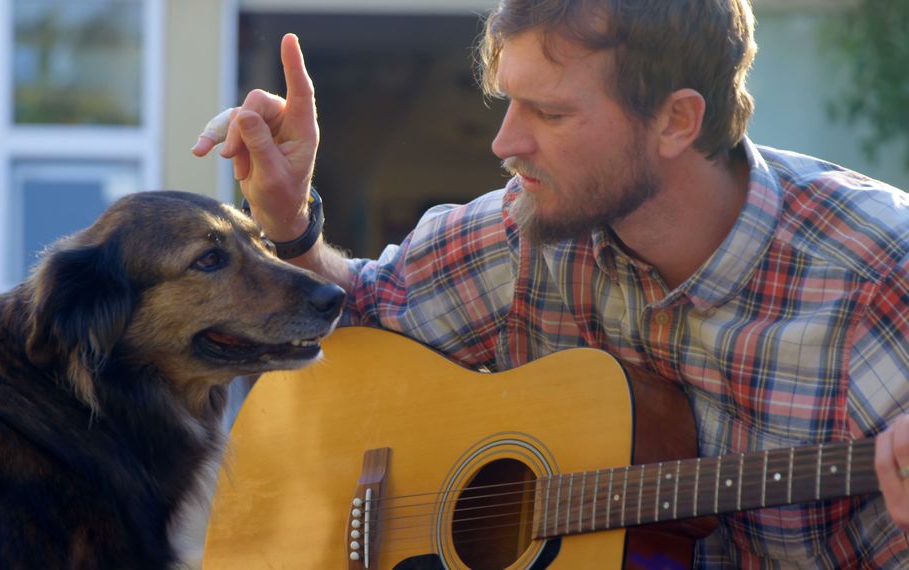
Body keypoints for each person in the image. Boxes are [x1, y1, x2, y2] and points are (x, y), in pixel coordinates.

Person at [192, 0, 909, 566]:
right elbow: (363, 321)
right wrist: (289, 225)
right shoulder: (527, 235)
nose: (506, 142)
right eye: (510, 101)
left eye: (550, 112)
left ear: (677, 120)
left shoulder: (879, 278)